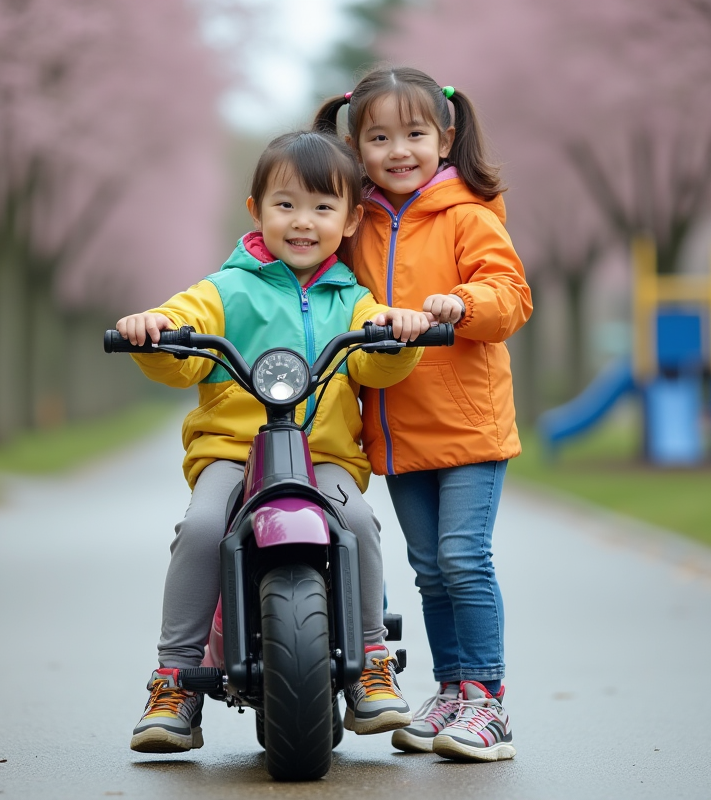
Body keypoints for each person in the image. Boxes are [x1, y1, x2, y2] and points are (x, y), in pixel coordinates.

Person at [118, 130, 433, 754]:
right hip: (233, 453)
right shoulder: (225, 290)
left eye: (322, 207)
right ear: (256, 209)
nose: (303, 221)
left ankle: (371, 662)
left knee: (359, 523)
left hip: (323, 458)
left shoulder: (354, 299)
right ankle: (175, 678)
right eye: (285, 204)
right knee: (202, 527)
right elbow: (184, 339)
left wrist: (396, 334)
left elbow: (374, 365)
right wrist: (156, 331)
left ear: (351, 221)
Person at [314, 66, 533, 763]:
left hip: (468, 427)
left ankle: (487, 701)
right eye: (378, 138)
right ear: (356, 146)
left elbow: (510, 295)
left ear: (445, 137)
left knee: (463, 559)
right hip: (398, 430)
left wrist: (459, 304)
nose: (397, 151)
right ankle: (450, 689)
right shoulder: (357, 222)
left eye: (413, 134)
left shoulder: (468, 214)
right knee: (429, 568)